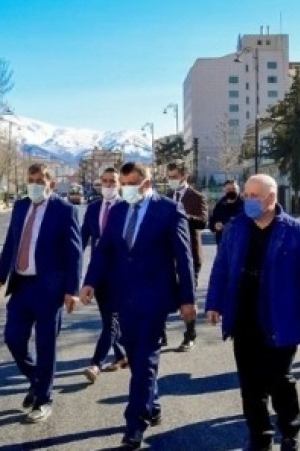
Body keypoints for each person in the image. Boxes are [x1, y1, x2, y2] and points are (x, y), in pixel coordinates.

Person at [206, 174, 300, 451]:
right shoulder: (236, 227)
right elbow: (221, 267)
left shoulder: (297, 232)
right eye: (246, 195)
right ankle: (259, 436)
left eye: (253, 196)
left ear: (271, 198)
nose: (247, 200)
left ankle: (290, 430)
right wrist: (214, 303)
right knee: (250, 385)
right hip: (243, 316)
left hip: (280, 316)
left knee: (279, 380)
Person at [81, 162, 196, 450]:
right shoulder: (119, 210)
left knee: (145, 358)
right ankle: (152, 404)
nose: (125, 188)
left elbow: (184, 258)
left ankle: (135, 424)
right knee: (135, 357)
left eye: (130, 183)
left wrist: (187, 299)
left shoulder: (168, 210)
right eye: (123, 183)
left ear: (145, 183)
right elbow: (104, 249)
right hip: (122, 296)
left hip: (154, 298)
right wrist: (90, 281)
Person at [0, 163, 82, 424]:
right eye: (31, 179)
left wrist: (71, 290)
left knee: (45, 346)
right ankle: (38, 380)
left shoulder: (64, 210)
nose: (35, 184)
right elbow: (11, 244)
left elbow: (74, 253)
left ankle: (43, 399)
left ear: (52, 183)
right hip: (21, 287)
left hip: (49, 290)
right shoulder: (20, 207)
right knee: (13, 339)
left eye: (40, 179)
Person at [79, 167, 127, 382]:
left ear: (119, 184)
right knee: (108, 318)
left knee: (112, 322)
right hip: (98, 272)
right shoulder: (93, 208)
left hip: (120, 273)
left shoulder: (127, 208)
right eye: (105, 181)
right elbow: (81, 239)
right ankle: (122, 355)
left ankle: (95, 363)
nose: (108, 185)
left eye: (112, 181)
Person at [165, 161, 207, 352]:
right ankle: (160, 334)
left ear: (184, 177)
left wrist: (182, 216)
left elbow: (203, 222)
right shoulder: (166, 197)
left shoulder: (196, 197)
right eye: (169, 177)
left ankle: (189, 335)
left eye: (174, 177)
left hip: (190, 255)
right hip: (168, 255)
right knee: (164, 294)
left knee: (187, 296)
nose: (171, 180)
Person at [209, 179, 244, 246]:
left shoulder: (244, 205)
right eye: (228, 189)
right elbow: (212, 221)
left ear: (238, 189)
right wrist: (215, 225)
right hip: (222, 243)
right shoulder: (219, 205)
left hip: (240, 243)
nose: (231, 191)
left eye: (233, 189)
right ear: (224, 190)